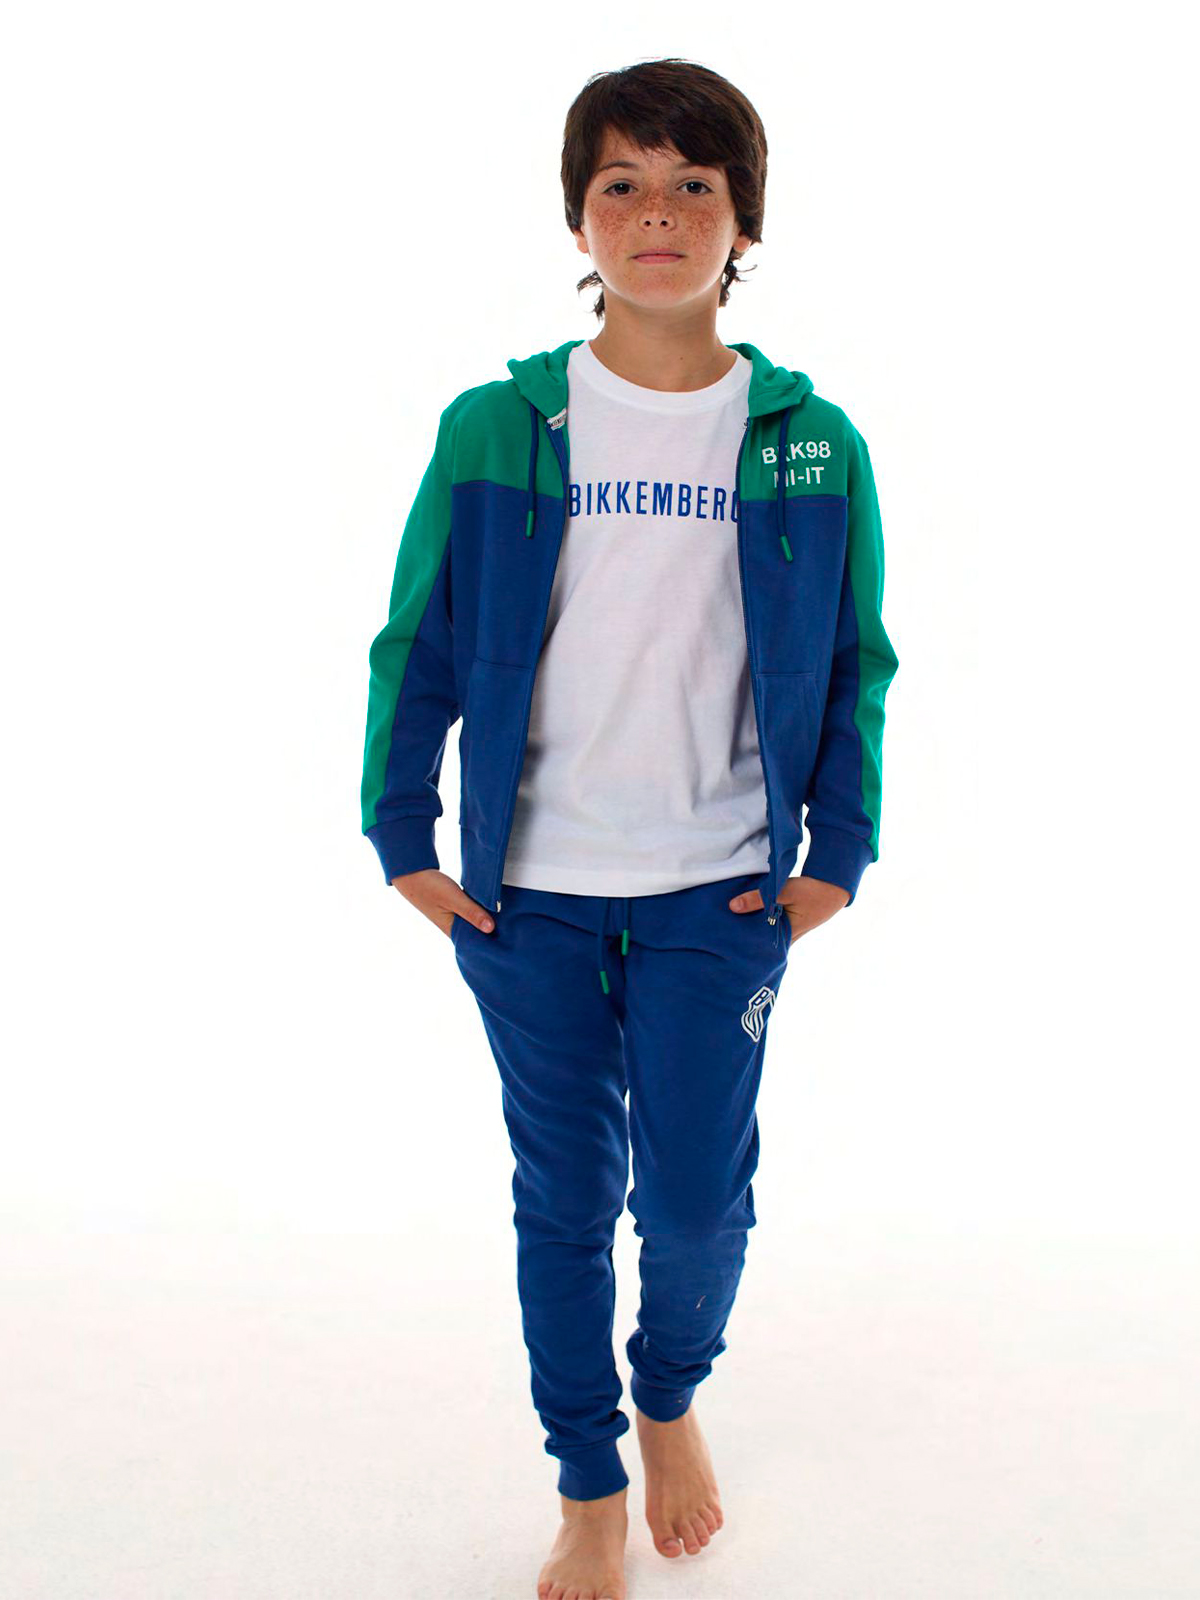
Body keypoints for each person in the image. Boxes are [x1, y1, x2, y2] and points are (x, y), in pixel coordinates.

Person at [360, 57, 898, 1600]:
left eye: (693, 186)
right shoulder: (497, 426)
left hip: (717, 891)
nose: (657, 214)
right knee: (565, 1198)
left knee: (696, 1203)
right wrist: (405, 838)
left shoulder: (812, 441)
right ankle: (588, 1475)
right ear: (579, 219)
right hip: (525, 895)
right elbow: (418, 640)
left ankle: (669, 1393)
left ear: (744, 223)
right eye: (622, 185)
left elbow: (855, 658)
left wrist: (837, 857)